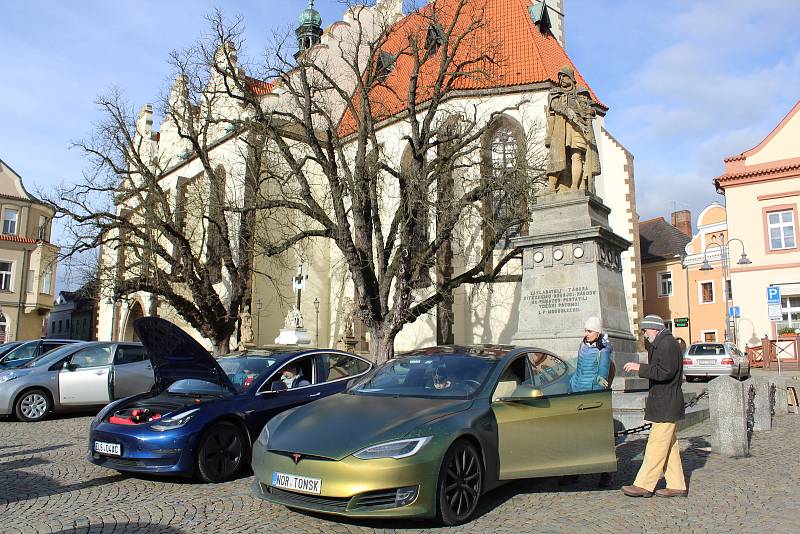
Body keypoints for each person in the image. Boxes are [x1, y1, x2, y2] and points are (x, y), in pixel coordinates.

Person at [621, 314, 687, 498]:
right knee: (669, 446)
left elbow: (665, 372)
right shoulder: (662, 343)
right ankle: (677, 484)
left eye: (645, 330)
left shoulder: (667, 344)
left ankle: (644, 484)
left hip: (667, 402)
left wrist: (639, 368)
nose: (644, 334)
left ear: (655, 329)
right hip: (664, 401)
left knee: (656, 445)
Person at [561, 316, 613, 487]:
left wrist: (595, 397)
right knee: (576, 436)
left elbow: (603, 376)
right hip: (578, 394)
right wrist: (572, 384)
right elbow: (579, 370)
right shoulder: (582, 345)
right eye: (586, 330)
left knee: (597, 436)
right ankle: (574, 472)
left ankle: (605, 473)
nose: (586, 333)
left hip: (592, 397)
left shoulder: (603, 350)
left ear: (597, 332)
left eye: (589, 331)